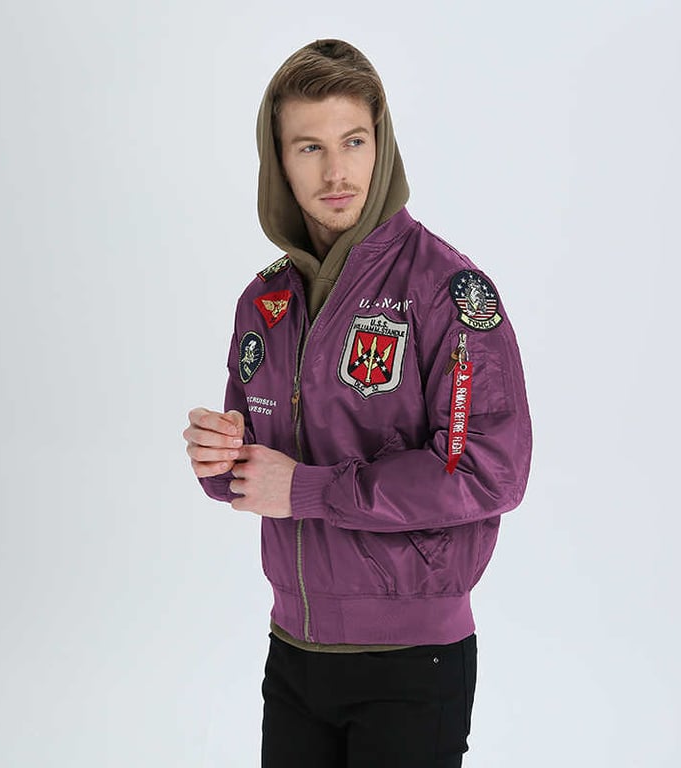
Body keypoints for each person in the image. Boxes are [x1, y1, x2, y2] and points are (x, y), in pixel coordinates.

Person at [183, 39, 532, 768]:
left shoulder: (447, 292)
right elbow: (256, 468)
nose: (336, 172)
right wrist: (220, 460)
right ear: (278, 161)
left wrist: (306, 489)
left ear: (382, 145)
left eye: (353, 141)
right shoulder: (266, 300)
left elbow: (488, 472)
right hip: (293, 650)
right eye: (309, 147)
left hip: (411, 664)